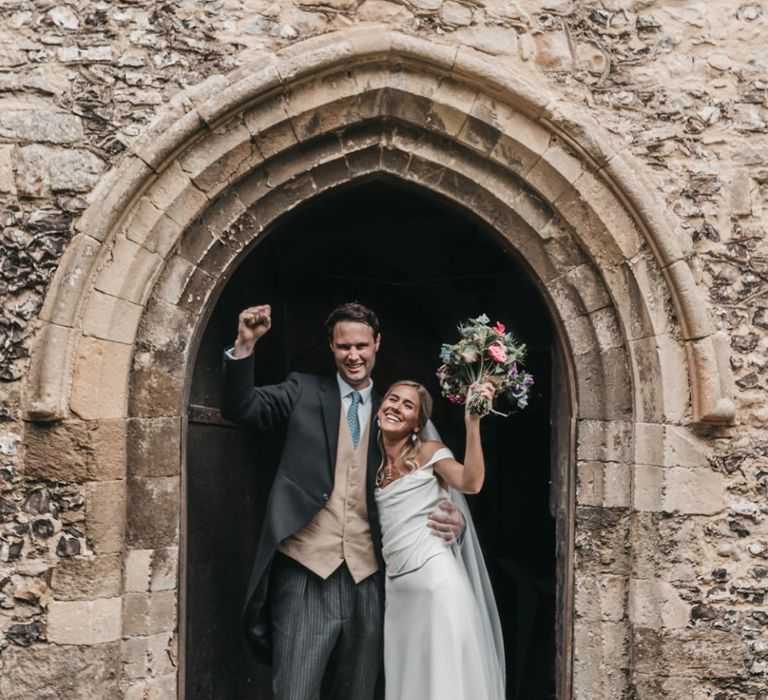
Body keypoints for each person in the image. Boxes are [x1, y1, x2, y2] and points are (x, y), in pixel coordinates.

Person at [220, 302, 464, 700]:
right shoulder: (301, 390)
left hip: (369, 579)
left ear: (377, 344)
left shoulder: (396, 411)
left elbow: (429, 481)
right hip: (304, 571)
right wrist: (245, 344)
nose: (353, 355)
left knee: (358, 692)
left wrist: (455, 519)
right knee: (295, 691)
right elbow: (242, 408)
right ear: (331, 347)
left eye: (361, 346)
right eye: (343, 346)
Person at [375, 380, 506, 700]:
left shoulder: (430, 452)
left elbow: (470, 483)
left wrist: (472, 422)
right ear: (380, 406)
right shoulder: (373, 465)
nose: (396, 407)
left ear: (418, 424)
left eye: (408, 405)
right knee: (409, 682)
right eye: (392, 399)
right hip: (399, 593)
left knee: (441, 684)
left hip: (435, 586)